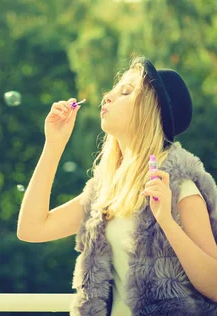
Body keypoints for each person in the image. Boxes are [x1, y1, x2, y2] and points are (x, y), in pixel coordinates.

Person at [17, 57, 217, 315]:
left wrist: (166, 221)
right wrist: (53, 144)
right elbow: (32, 228)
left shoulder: (180, 189)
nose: (107, 97)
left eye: (125, 91)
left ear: (150, 112)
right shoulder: (106, 192)